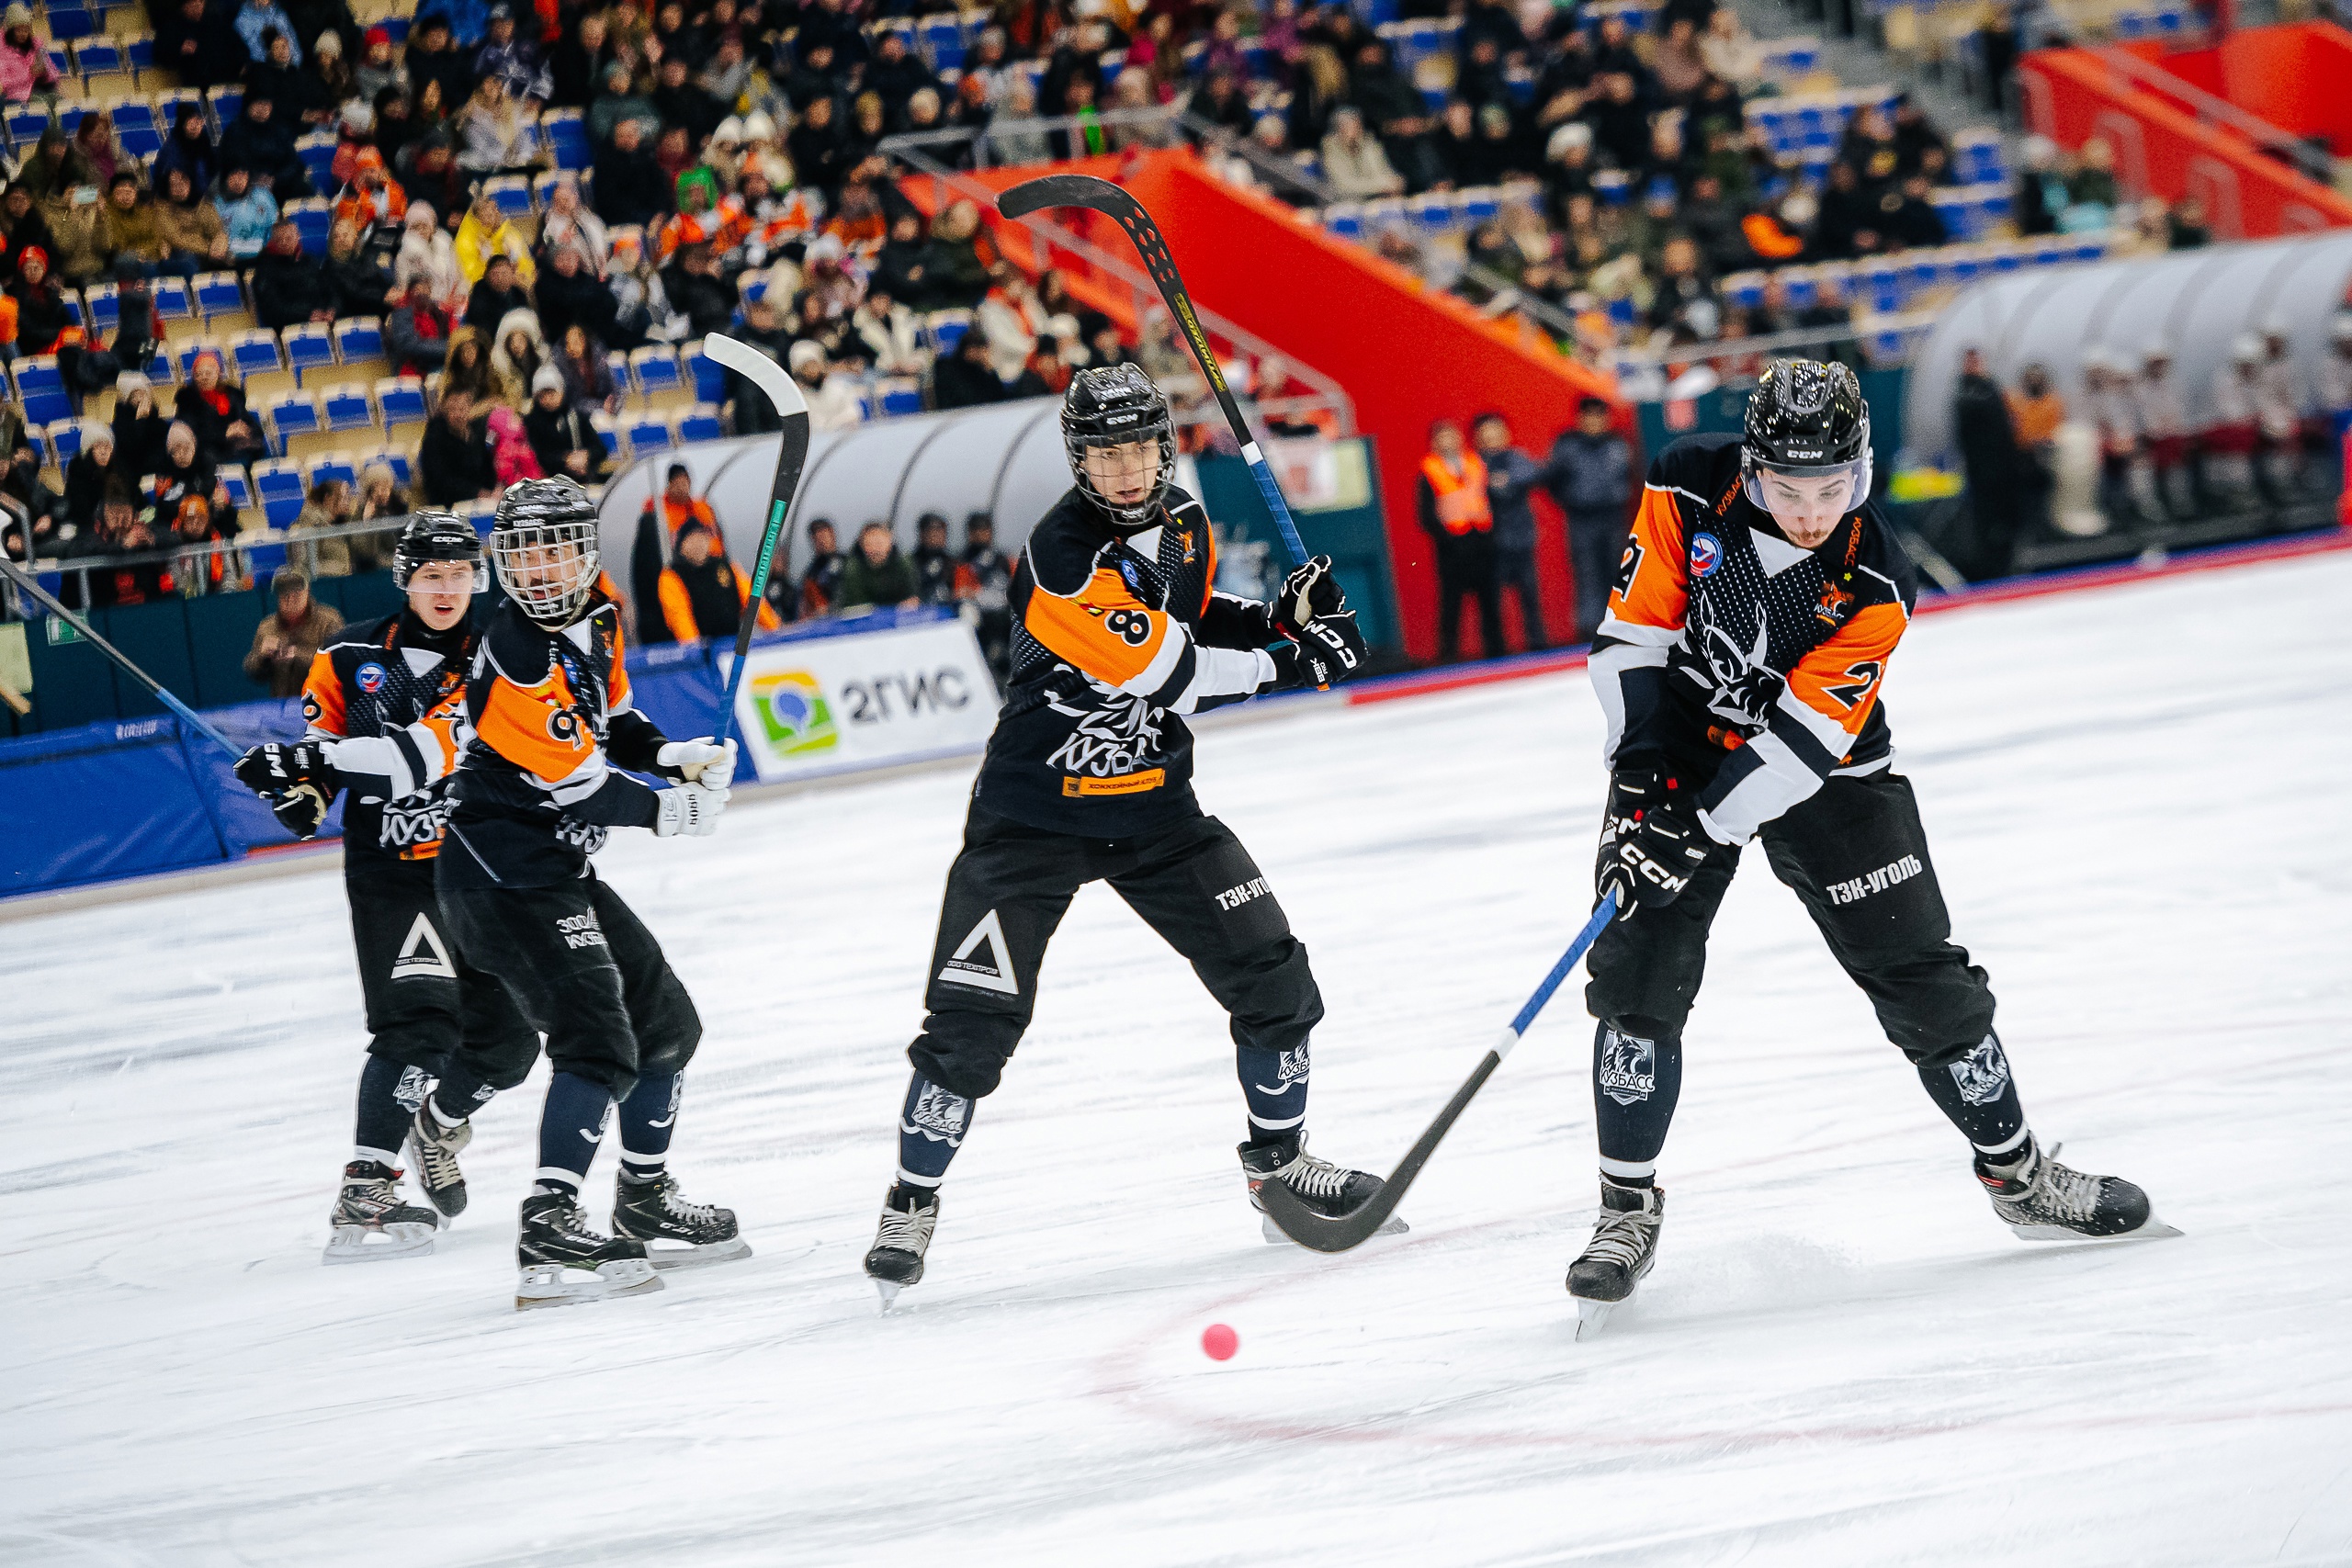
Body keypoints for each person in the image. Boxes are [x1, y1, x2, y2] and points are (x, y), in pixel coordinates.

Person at [1565, 359, 2169, 1336]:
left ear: (1864, 472)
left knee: (1924, 977)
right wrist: (1641, 787)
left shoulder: (1878, 579)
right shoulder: (1685, 480)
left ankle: (2018, 1176)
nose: (1811, 512)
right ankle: (1624, 1209)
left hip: (1829, 778)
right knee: (1636, 969)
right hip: (1676, 749)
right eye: (1789, 491)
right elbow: (1631, 639)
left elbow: (1801, 745)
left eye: (1833, 490)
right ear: (1752, 471)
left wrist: (1703, 828)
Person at [858, 365, 1387, 1304]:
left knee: (1276, 979)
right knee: (971, 1029)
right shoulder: (1062, 559)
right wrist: (1297, 660)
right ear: (1079, 461)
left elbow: (1188, 611)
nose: (1127, 467)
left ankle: (1277, 1168)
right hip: (1031, 820)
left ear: (1162, 446)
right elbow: (1175, 674)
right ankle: (912, 1198)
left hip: (1153, 810)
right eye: (1105, 453)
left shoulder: (1184, 519)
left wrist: (1277, 618)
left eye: (1139, 446)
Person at [436, 477, 748, 1308]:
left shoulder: (598, 619)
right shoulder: (513, 651)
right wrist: (669, 809)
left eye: (555, 548)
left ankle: (643, 1194)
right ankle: (549, 1218)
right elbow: (577, 784)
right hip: (499, 874)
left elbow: (612, 721)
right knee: (598, 1040)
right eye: (523, 551)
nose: (539, 569)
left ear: (583, 554)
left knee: (668, 1025)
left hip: (557, 868)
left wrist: (671, 753)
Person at [230, 515, 541, 1261]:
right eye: (431, 575)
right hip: (394, 876)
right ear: (405, 578)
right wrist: (302, 793)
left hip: (478, 870)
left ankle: (436, 1124)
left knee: (510, 1044)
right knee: (419, 1027)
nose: (446, 589)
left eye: (460, 575)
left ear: (478, 579)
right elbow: (324, 759)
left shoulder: (503, 654)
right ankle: (366, 1189)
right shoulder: (346, 658)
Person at [1543, 396, 1634, 642]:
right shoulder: (1567, 446)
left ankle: (1623, 627)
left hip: (1614, 517)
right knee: (1587, 573)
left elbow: (1635, 476)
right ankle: (1591, 631)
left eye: (1600, 416)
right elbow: (1551, 479)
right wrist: (1569, 500)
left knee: (1620, 572)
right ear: (1579, 419)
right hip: (1581, 520)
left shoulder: (1619, 443)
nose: (1595, 422)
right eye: (1590, 416)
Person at [1418, 418, 1504, 662]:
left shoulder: (1475, 463)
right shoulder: (1429, 470)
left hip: (1482, 542)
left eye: (1453, 435)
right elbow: (1425, 514)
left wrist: (1490, 535)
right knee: (1451, 604)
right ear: (1434, 442)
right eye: (1442, 437)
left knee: (1490, 602)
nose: (1449, 441)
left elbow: (1489, 499)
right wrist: (1446, 540)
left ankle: (1497, 652)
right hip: (1452, 548)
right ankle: (1449, 656)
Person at [1473, 412, 1547, 652]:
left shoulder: (1516, 457)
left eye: (1497, 430)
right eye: (1487, 431)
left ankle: (1538, 645)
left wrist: (1507, 480)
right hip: (1490, 545)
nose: (1493, 436)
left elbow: (1534, 473)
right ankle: (1496, 650)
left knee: (1530, 597)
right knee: (1492, 602)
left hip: (1522, 539)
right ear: (1477, 436)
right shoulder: (1473, 463)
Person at [1951, 348, 2024, 581]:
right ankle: (1990, 569)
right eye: (1971, 362)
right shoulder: (1966, 393)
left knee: (2007, 519)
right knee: (1986, 523)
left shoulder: (1990, 388)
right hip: (1982, 471)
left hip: (2003, 468)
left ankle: (2008, 563)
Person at [657, 518, 778, 642]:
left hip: (731, 644)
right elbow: (679, 617)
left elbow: (753, 601)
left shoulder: (726, 567)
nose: (698, 544)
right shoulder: (672, 576)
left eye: (702, 538)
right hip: (700, 650)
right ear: (681, 545)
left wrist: (777, 630)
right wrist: (694, 647)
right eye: (692, 539)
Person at [243, 568, 346, 696]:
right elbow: (253, 672)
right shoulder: (267, 626)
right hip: (282, 706)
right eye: (285, 595)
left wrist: (297, 655)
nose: (290, 599)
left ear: (307, 591)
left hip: (322, 703)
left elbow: (340, 663)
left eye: (296, 593)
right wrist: (263, 657)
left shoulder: (328, 620)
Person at [523, 365, 605, 482]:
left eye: (551, 393)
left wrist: (586, 456)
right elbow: (537, 455)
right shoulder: (532, 422)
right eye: (542, 395)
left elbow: (599, 449)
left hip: (580, 480)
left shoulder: (575, 416)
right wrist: (565, 460)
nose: (547, 399)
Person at [418, 387, 498, 505]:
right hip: (449, 504)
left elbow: (488, 466)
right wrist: (476, 492)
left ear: (470, 408)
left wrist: (497, 486)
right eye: (453, 410)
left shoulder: (478, 431)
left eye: (462, 409)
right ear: (445, 411)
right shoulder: (434, 438)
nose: (458, 415)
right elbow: (441, 480)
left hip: (482, 499)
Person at [837, 520, 918, 611]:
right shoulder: (853, 569)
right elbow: (857, 606)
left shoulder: (904, 564)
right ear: (861, 545)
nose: (875, 549)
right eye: (869, 544)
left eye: (879, 543)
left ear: (889, 543)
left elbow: (912, 597)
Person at [797, 517, 844, 617]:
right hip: (822, 622)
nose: (822, 540)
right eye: (817, 537)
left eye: (824, 535)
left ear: (833, 535)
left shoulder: (847, 562)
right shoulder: (811, 573)